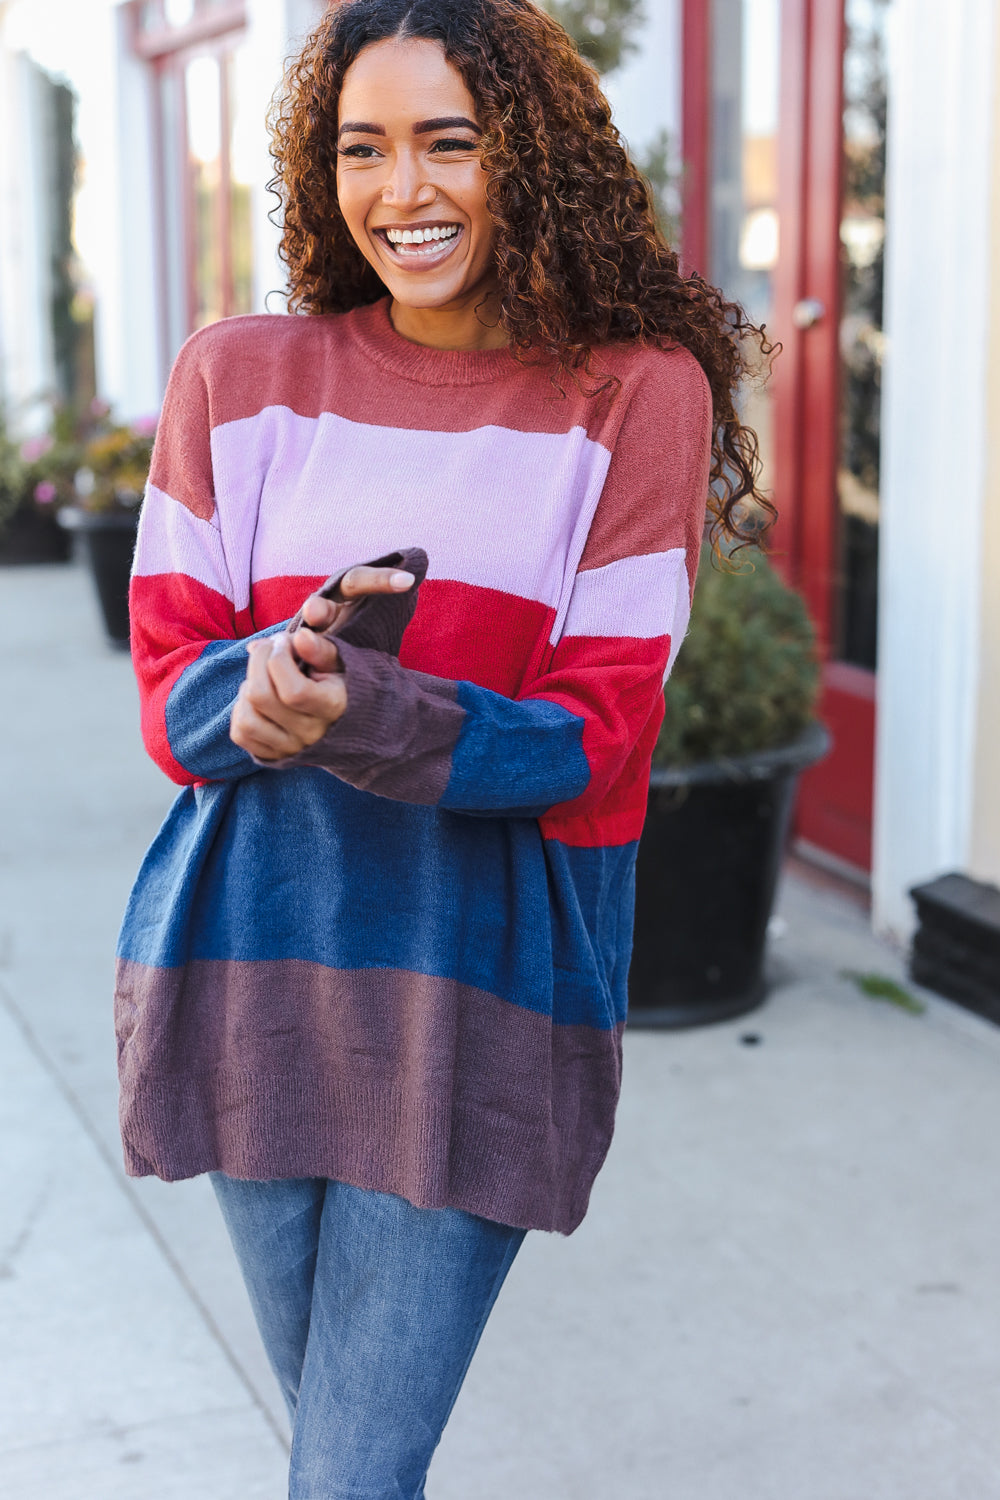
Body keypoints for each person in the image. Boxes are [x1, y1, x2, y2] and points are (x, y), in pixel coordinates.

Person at [115, 1, 772, 1494]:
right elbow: (171, 702)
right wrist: (263, 685)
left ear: (527, 155)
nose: (401, 191)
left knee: (346, 1471)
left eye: (446, 144)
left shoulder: (631, 397)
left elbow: (591, 740)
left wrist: (367, 709)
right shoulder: (240, 375)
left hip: (479, 986)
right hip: (247, 961)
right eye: (363, 149)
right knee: (347, 1460)